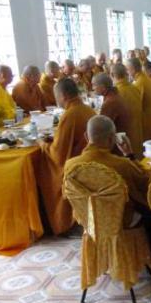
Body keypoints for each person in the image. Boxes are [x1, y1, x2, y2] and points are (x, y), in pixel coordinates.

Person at [64, 115, 150, 234]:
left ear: (86, 136)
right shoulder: (122, 165)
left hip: (89, 220)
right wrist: (129, 154)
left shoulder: (70, 165)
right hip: (122, 221)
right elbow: (146, 182)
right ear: (112, 139)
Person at [38, 78, 96, 234]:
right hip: (88, 160)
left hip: (75, 166)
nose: (56, 99)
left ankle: (63, 222)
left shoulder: (70, 114)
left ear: (63, 96)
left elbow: (58, 154)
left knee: (43, 172)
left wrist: (43, 145)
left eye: (56, 96)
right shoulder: (86, 109)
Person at [111, 63, 144, 159]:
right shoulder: (135, 88)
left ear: (112, 75)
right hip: (138, 131)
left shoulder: (116, 93)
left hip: (125, 136)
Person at [126, 57, 151, 142]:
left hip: (146, 122)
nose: (127, 72)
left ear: (133, 69)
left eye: (127, 69)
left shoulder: (139, 83)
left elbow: (136, 107)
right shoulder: (147, 79)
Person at [92, 73, 131, 147]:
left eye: (94, 85)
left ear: (103, 87)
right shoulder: (114, 95)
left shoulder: (110, 102)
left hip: (118, 142)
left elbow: (102, 128)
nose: (92, 88)